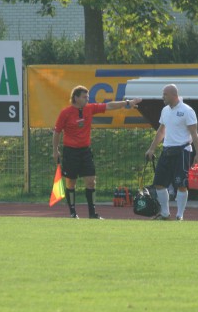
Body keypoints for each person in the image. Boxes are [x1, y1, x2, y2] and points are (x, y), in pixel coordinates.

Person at [53, 86, 142, 219]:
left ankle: (92, 213)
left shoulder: (90, 108)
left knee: (91, 181)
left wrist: (128, 103)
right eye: (84, 97)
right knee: (71, 182)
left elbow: (109, 106)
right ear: (76, 98)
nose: (87, 99)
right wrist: (55, 151)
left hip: (85, 151)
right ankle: (72, 212)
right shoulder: (65, 112)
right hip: (70, 152)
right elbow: (57, 132)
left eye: (88, 97)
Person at [144, 84, 198, 221]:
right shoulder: (165, 110)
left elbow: (194, 134)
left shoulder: (187, 110)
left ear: (173, 95)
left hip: (182, 151)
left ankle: (179, 215)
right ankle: (165, 213)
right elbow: (161, 131)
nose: (162, 97)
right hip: (167, 150)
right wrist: (152, 148)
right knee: (159, 183)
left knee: (181, 184)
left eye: (164, 94)